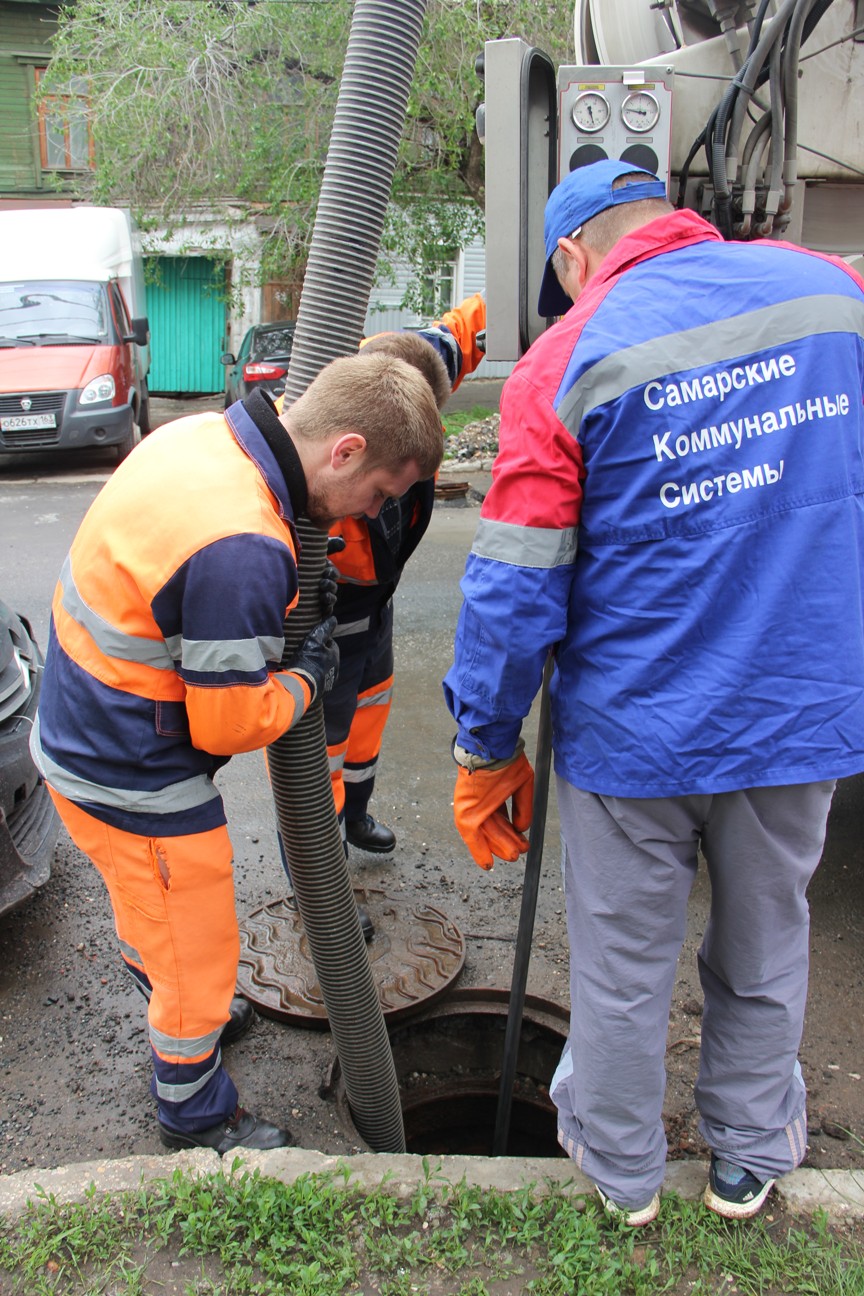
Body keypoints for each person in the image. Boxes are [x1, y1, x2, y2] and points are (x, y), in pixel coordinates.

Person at [443, 158, 864, 1225]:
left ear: (573, 257)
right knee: (767, 941)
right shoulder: (834, 297)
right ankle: (746, 1157)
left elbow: (515, 584)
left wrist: (486, 744)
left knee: (625, 968)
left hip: (636, 736)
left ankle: (622, 1174)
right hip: (797, 713)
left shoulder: (564, 355)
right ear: (680, 223)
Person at [31, 352, 444, 1155]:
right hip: (129, 771)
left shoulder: (202, 440)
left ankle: (185, 999)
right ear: (347, 449)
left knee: (154, 915)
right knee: (198, 947)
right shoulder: (245, 543)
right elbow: (228, 723)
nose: (368, 516)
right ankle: (197, 1116)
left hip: (85, 732)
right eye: (380, 495)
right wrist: (306, 676)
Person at [326, 295, 486, 863]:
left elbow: (466, 331)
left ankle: (356, 813)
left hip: (379, 599)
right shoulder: (336, 424)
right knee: (323, 744)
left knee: (372, 706)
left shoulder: (420, 364)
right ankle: (317, 868)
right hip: (330, 606)